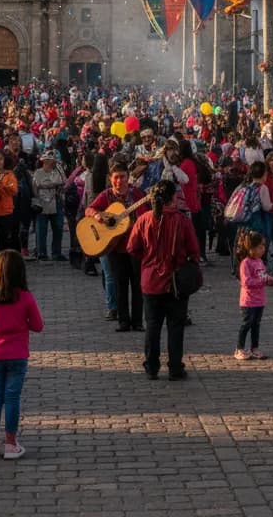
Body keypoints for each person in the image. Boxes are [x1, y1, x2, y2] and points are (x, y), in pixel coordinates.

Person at [126, 178, 199, 382]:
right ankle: (175, 367)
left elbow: (132, 248)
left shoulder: (144, 219)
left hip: (150, 281)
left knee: (152, 326)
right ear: (172, 198)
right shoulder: (182, 221)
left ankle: (151, 366)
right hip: (176, 282)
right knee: (176, 327)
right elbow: (194, 251)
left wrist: (148, 260)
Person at [0, 250, 44, 460]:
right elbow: (38, 326)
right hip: (17, 354)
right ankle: (11, 443)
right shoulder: (25, 297)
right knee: (12, 397)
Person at [86, 162, 147, 332]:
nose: (119, 181)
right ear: (110, 179)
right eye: (116, 177)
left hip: (135, 247)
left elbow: (145, 215)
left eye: (123, 177)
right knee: (120, 285)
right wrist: (98, 215)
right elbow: (89, 210)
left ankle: (137, 322)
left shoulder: (136, 195)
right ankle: (123, 321)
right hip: (115, 247)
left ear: (128, 178)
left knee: (137, 285)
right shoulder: (106, 196)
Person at [234, 230, 273, 360]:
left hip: (259, 300)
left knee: (256, 325)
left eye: (263, 246)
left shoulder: (260, 262)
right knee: (246, 324)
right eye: (260, 247)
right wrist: (262, 281)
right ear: (250, 248)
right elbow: (246, 282)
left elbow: (262, 276)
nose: (263, 249)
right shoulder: (246, 263)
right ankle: (239, 348)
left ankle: (254, 348)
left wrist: (268, 279)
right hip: (248, 301)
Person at [30, 150, 67, 262]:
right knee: (41, 229)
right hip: (42, 203)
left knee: (58, 228)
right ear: (44, 161)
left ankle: (56, 252)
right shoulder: (38, 172)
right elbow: (35, 187)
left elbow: (64, 181)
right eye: (49, 160)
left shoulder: (58, 171)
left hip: (56, 201)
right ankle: (41, 252)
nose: (51, 162)